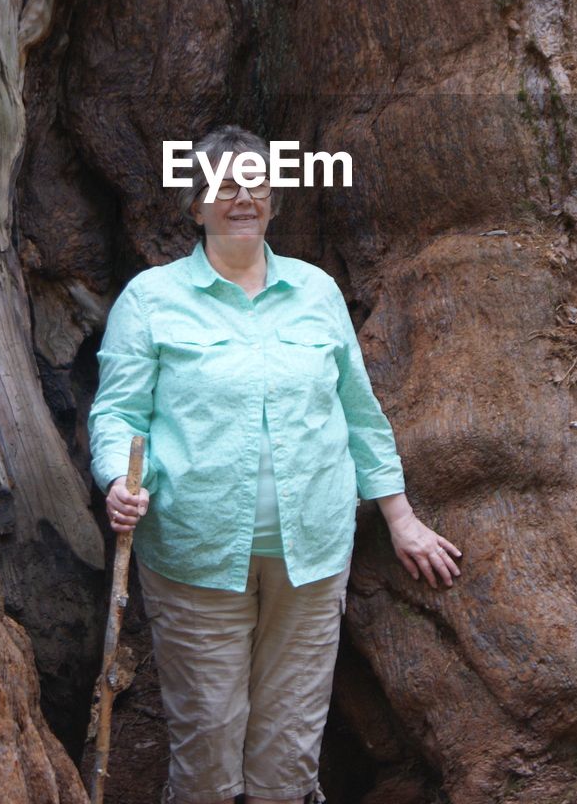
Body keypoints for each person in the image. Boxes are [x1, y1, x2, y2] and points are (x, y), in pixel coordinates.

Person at [88, 126, 462, 804]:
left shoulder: (315, 292)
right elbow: (118, 413)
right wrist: (118, 478)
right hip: (194, 556)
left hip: (312, 556)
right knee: (205, 744)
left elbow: (357, 410)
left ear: (274, 200)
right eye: (223, 186)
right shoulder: (150, 299)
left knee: (287, 752)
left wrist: (399, 517)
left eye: (255, 184)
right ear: (195, 205)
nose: (242, 197)